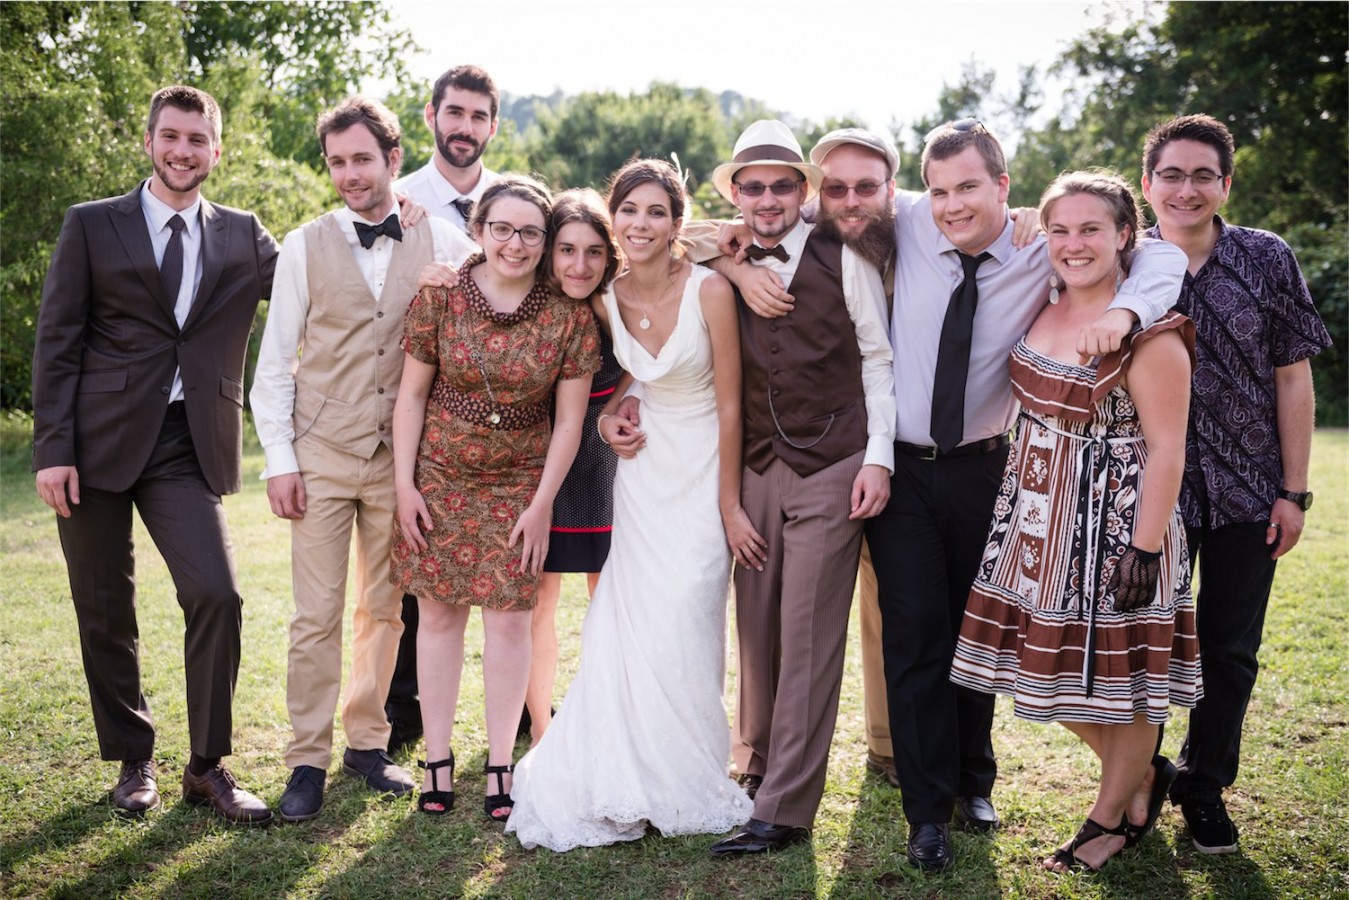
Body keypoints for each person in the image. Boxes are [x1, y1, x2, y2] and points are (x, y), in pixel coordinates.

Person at [31, 85, 278, 824]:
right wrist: (53, 449)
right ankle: (132, 759)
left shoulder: (242, 234)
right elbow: (57, 340)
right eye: (170, 136)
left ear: (216, 150)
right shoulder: (91, 225)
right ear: (148, 141)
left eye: (197, 139)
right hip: (94, 444)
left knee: (218, 594)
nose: (182, 151)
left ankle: (206, 766)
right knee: (105, 609)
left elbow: (314, 281)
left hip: (185, 444)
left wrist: (402, 227)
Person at [951, 170, 1202, 872]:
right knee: (1041, 673)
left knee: (1126, 684)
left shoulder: (1149, 334)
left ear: (1126, 235)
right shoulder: (1043, 302)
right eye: (1060, 229)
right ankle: (1144, 778)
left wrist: (1143, 550)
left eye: (1091, 228)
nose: (1072, 243)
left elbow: (1167, 451)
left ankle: (1106, 820)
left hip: (1117, 527)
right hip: (1035, 523)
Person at [506, 159, 756, 851]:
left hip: (704, 466)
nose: (639, 224)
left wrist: (730, 505)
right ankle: (624, 764)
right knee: (630, 621)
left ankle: (689, 765)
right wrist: (613, 414)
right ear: (612, 217)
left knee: (688, 613)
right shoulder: (603, 298)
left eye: (655, 212)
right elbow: (625, 378)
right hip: (640, 473)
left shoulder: (708, 290)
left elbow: (731, 403)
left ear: (676, 225)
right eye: (629, 210)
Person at [249, 96, 478, 822]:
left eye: (361, 160)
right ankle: (306, 760)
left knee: (384, 611)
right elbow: (275, 365)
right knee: (314, 616)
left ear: (392, 161)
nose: (349, 174)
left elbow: (505, 277)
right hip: (319, 453)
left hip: (400, 462)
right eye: (337, 162)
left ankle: (367, 743)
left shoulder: (438, 236)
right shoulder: (302, 245)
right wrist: (279, 459)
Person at [698, 120, 894, 856]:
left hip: (833, 463)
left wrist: (877, 457)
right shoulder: (724, 251)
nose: (768, 197)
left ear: (802, 193)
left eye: (783, 185)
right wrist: (738, 267)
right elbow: (671, 237)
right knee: (756, 627)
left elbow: (877, 357)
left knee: (808, 634)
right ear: (736, 195)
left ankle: (785, 808)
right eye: (753, 186)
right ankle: (753, 764)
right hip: (754, 464)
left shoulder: (843, 253)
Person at [1139, 114, 1332, 854]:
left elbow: (1291, 377)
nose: (1185, 189)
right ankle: (1137, 780)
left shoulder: (1264, 257)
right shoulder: (1121, 256)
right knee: (1144, 638)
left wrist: (1294, 490)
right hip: (1147, 491)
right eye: (1170, 174)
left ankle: (1202, 785)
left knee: (1228, 648)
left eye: (1201, 175)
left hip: (1248, 490)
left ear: (1225, 184)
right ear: (1147, 181)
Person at [390, 175, 600, 821]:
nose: (515, 243)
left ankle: (501, 767)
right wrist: (404, 485)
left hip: (521, 484)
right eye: (502, 228)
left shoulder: (568, 316)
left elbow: (569, 421)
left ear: (544, 240)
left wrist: (541, 504)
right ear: (478, 230)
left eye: (530, 232)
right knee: (440, 616)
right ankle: (438, 758)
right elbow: (412, 396)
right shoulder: (440, 298)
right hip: (440, 477)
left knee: (510, 620)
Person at [386, 63, 503, 751]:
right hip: (414, 406)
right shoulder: (393, 199)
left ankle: (512, 708)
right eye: (453, 113)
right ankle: (405, 714)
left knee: (500, 574)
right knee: (417, 569)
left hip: (496, 420)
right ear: (431, 116)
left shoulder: (517, 208)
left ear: (492, 125)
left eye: (478, 116)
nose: (464, 128)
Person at [527, 190, 623, 744]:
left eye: (592, 251)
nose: (579, 265)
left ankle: (603, 723)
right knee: (538, 602)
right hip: (541, 465)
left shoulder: (618, 303)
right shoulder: (529, 302)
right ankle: (541, 729)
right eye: (566, 249)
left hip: (607, 465)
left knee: (606, 600)